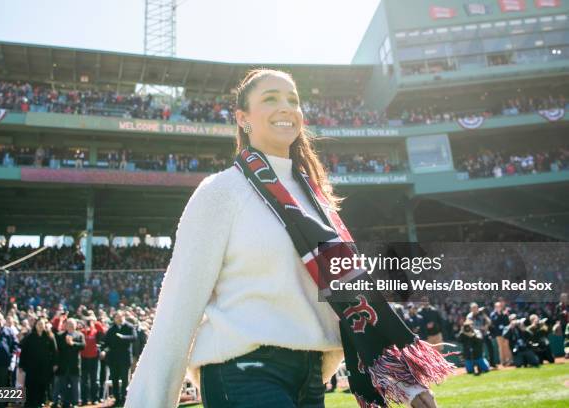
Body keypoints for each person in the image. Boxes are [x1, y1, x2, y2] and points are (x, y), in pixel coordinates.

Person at [125, 69, 449, 408]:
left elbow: (349, 297)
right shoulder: (220, 192)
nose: (286, 107)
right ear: (243, 119)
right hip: (243, 372)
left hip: (310, 376)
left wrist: (405, 382)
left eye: (293, 100)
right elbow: (179, 305)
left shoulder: (316, 199)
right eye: (270, 99)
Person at [18, 318, 58, 407]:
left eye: (42, 324)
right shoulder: (29, 337)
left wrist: (55, 364)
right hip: (31, 367)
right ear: (35, 326)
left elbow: (55, 351)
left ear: (44, 326)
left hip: (45, 367)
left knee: (42, 385)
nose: (40, 326)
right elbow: (23, 351)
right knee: (30, 385)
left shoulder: (49, 337)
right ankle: (29, 403)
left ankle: (40, 402)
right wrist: (21, 365)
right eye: (38, 324)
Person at [102, 311, 135, 406]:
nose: (119, 319)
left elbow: (134, 337)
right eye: (117, 317)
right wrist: (104, 350)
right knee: (115, 380)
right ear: (114, 318)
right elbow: (106, 342)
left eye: (120, 317)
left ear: (123, 317)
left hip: (125, 359)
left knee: (125, 380)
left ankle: (125, 398)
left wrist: (123, 337)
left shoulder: (129, 327)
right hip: (113, 360)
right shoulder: (111, 329)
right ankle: (117, 399)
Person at [55, 318, 85, 408]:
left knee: (75, 385)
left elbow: (83, 346)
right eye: (69, 324)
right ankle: (65, 402)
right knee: (63, 385)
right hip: (63, 365)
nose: (71, 326)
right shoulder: (60, 335)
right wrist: (66, 343)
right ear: (66, 325)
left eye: (72, 325)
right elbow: (58, 348)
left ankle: (75, 402)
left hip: (74, 364)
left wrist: (72, 343)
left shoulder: (80, 335)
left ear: (75, 325)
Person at [466, 303, 497, 368]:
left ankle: (492, 363)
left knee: (490, 348)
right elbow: (470, 326)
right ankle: (479, 365)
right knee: (479, 351)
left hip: (485, 334)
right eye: (473, 308)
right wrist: (481, 327)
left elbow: (489, 322)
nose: (475, 310)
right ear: (471, 309)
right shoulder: (469, 316)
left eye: (476, 308)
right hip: (476, 336)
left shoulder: (482, 314)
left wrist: (484, 315)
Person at [490, 301, 511, 366]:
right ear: (495, 307)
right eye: (497, 306)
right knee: (501, 347)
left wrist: (504, 315)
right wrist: (499, 314)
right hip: (498, 333)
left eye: (499, 306)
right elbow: (494, 323)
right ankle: (503, 361)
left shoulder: (504, 313)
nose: (498, 308)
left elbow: (507, 322)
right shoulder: (493, 314)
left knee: (506, 346)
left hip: (505, 332)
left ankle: (509, 360)